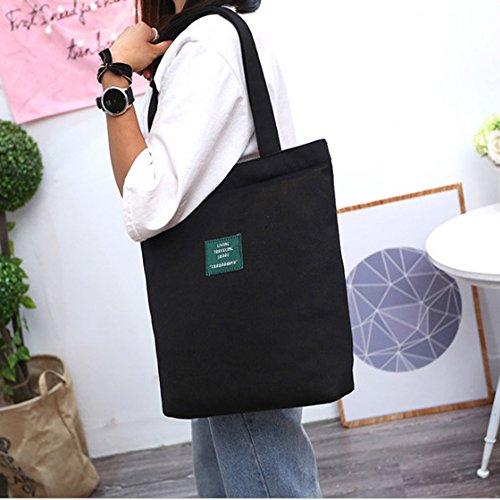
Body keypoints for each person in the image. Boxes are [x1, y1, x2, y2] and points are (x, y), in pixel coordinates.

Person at [97, 0, 323, 496]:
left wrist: (116, 79)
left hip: (234, 311)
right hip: (234, 307)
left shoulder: (208, 44)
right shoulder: (203, 39)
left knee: (261, 475)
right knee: (232, 471)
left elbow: (148, 202)